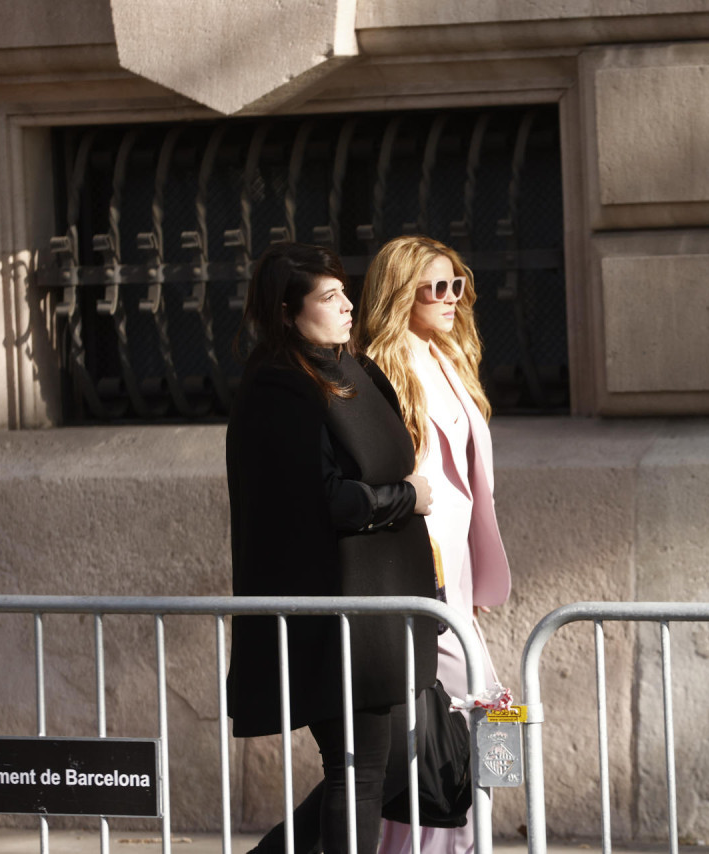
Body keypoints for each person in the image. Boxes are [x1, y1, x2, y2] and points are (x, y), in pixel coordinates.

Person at [226, 241, 439, 854]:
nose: (349, 305)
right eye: (329, 297)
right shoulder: (279, 386)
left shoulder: (352, 369)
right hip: (336, 614)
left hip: (385, 603)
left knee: (393, 759)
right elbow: (323, 500)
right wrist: (407, 497)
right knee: (363, 765)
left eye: (345, 291)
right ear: (289, 313)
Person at [357, 235, 513, 854]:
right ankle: (457, 842)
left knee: (474, 724)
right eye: (437, 287)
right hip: (423, 570)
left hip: (459, 570)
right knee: (483, 714)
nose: (453, 298)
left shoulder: (448, 357)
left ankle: (469, 837)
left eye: (458, 285)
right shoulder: (381, 367)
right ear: (401, 292)